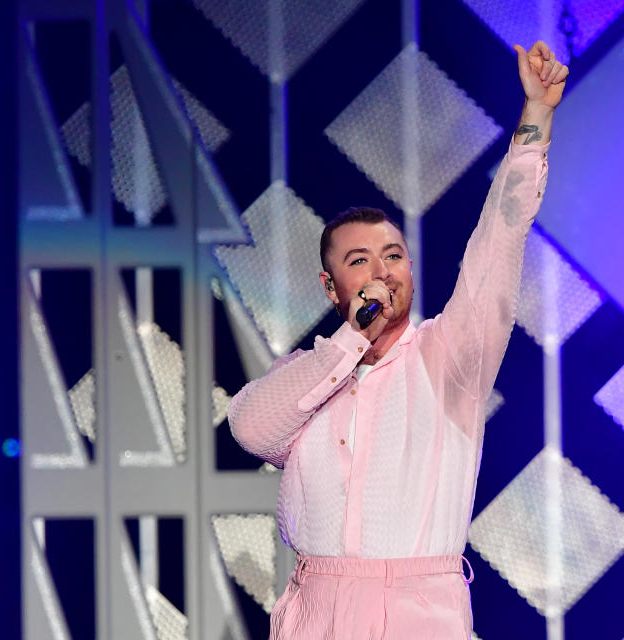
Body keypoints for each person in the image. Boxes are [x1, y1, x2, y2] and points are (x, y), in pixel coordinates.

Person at [228, 40, 568, 639]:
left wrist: (534, 120)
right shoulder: (313, 373)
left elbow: (497, 246)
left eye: (394, 255)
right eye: (360, 260)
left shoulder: (449, 356)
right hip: (318, 613)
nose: (383, 271)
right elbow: (250, 428)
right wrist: (349, 343)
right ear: (331, 287)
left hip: (419, 612)